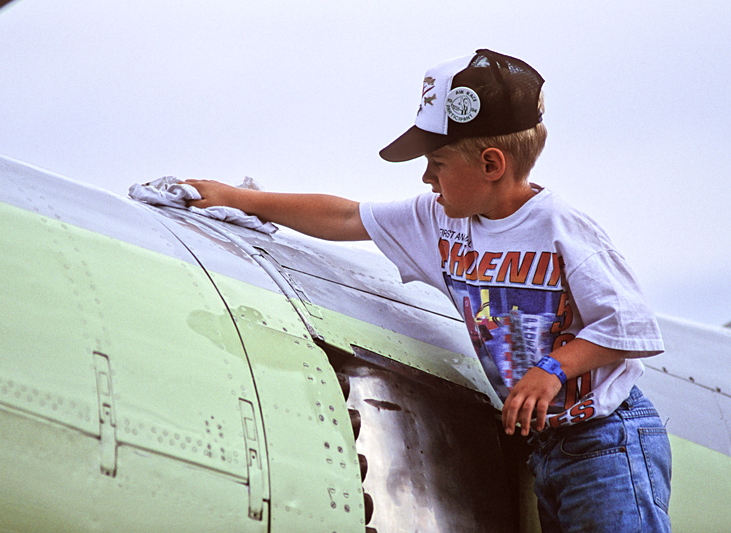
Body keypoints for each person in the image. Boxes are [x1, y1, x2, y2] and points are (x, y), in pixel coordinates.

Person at [183, 49, 672, 532]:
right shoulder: (441, 223)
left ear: (491, 164)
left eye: (437, 162)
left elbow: (630, 327)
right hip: (548, 449)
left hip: (607, 439)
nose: (426, 176)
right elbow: (347, 216)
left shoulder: (561, 227)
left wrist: (552, 369)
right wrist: (239, 198)